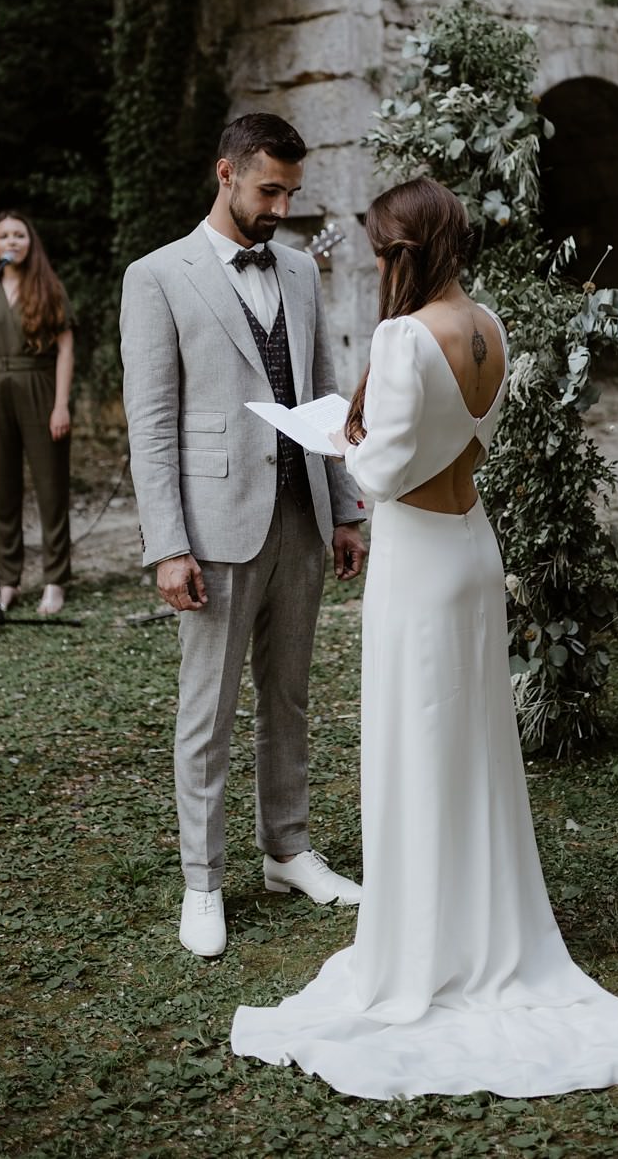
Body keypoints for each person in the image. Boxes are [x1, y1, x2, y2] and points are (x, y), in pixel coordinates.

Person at [231, 177, 618, 1099]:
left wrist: (335, 436)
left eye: (379, 251)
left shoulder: (405, 338)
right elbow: (461, 439)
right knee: (473, 746)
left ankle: (421, 947)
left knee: (415, 745)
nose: (375, 266)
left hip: (417, 560)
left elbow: (383, 470)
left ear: (399, 252)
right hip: (472, 548)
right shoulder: (489, 325)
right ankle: (480, 924)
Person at [120, 112, 367, 959]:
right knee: (209, 709)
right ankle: (203, 881)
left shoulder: (298, 269)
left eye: (291, 193)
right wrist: (167, 545)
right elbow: (152, 424)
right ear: (225, 173)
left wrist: (344, 509)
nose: (281, 209)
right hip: (214, 529)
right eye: (269, 191)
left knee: (288, 697)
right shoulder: (157, 276)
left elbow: (325, 392)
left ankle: (287, 851)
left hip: (300, 517)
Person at [0, 211, 75, 617]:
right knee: (0, 488)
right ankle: (7, 580)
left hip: (38, 384)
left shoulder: (48, 286)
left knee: (51, 486)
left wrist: (61, 404)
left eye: (19, 235)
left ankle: (55, 579)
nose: (11, 241)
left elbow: (65, 349)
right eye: (4, 235)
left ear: (31, 242)